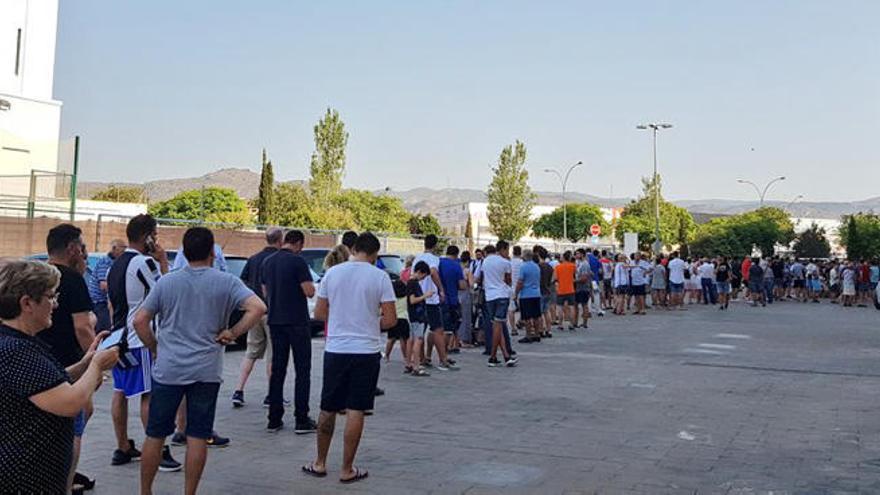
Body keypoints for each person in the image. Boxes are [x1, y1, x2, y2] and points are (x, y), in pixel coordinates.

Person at [134, 227, 266, 495]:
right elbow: (258, 308)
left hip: (168, 370)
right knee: (197, 435)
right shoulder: (226, 282)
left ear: (183, 250)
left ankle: (145, 491)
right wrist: (233, 332)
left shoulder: (167, 282)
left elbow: (140, 320)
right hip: (206, 371)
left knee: (155, 434)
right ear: (211, 251)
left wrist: (155, 347)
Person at [0, 260, 119, 495]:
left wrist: (85, 365)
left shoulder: (16, 342)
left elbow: (45, 386)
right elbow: (70, 403)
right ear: (27, 303)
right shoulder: (17, 350)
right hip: (26, 476)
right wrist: (96, 365)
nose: (55, 304)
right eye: (50, 297)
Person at [302, 232, 397, 484]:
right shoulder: (380, 277)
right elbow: (390, 320)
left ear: (353, 249)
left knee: (328, 407)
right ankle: (347, 468)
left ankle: (320, 462)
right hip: (366, 351)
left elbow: (320, 313)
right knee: (357, 408)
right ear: (375, 254)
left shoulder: (333, 273)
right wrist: (369, 320)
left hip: (337, 349)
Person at [107, 214, 183, 471]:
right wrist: (163, 261)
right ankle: (158, 450)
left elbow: (112, 303)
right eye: (156, 235)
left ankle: (122, 446)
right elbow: (166, 292)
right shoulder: (144, 262)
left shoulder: (115, 264)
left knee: (121, 392)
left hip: (118, 338)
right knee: (148, 394)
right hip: (139, 340)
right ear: (147, 237)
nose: (157, 240)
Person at [37, 225, 98, 493]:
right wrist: (94, 362)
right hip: (65, 366)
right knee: (73, 419)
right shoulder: (72, 280)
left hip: (41, 358)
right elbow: (83, 327)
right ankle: (66, 480)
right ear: (73, 248)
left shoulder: (39, 275)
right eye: (82, 247)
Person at [262, 229, 318, 433]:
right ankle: (301, 419)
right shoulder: (298, 262)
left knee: (278, 369)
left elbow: (265, 291)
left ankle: (274, 418)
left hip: (275, 320)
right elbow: (309, 291)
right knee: (302, 370)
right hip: (297, 321)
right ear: (299, 243)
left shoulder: (268, 262)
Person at [231, 227, 284, 408]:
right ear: (280, 240)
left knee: (251, 352)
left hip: (254, 313)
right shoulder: (277, 260)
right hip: (272, 313)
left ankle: (239, 390)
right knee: (273, 354)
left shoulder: (253, 259)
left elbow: (242, 281)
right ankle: (271, 394)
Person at [413, 235, 457, 371]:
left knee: (421, 331)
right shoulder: (433, 259)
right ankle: (443, 359)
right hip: (431, 299)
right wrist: (441, 289)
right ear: (435, 245)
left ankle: (422, 358)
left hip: (419, 298)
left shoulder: (417, 258)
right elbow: (433, 272)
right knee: (438, 330)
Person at [481, 241, 518, 367]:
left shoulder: (486, 261)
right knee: (498, 325)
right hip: (502, 295)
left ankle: (506, 356)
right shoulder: (505, 263)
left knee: (497, 325)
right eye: (507, 250)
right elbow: (508, 280)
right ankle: (492, 356)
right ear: (503, 249)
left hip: (489, 296)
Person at [88, 238, 127, 333]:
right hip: (99, 302)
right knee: (105, 329)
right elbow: (103, 285)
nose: (125, 251)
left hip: (105, 302)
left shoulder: (115, 262)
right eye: (123, 248)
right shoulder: (105, 262)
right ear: (114, 248)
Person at [405, 262, 432, 377]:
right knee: (418, 340)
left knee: (411, 340)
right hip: (417, 315)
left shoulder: (410, 282)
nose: (423, 279)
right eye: (424, 276)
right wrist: (425, 296)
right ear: (420, 272)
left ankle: (409, 363)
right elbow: (412, 300)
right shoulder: (413, 283)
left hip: (412, 315)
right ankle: (416, 366)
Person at [438, 245, 466, 355]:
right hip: (452, 299)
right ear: (456, 254)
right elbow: (462, 285)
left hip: (439, 299)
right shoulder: (456, 266)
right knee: (450, 329)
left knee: (439, 328)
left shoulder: (439, 262)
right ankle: (444, 353)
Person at [515, 249, 543, 343]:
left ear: (524, 256)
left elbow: (520, 282)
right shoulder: (536, 266)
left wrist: (516, 293)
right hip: (536, 293)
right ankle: (537, 333)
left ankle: (528, 335)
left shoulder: (523, 267)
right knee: (536, 315)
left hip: (526, 294)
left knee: (526, 317)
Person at [386, 280, 411, 368]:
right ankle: (405, 357)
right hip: (403, 319)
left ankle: (387, 356)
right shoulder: (406, 297)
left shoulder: (392, 298)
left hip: (394, 318)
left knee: (391, 339)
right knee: (403, 339)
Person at [554, 251, 577, 330]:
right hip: (570, 289)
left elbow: (555, 278)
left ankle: (560, 324)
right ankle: (571, 324)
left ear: (563, 258)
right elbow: (575, 275)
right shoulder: (573, 266)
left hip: (561, 289)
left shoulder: (558, 267)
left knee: (560, 307)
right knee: (571, 307)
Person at [457, 251, 475, 347]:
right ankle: (464, 339)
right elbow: (472, 284)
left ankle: (456, 339)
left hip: (457, 294)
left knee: (458, 317)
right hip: (465, 294)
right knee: (466, 317)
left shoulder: (457, 269)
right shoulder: (467, 271)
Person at [574, 249, 592, 329]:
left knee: (584, 305)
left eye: (578, 254)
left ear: (582, 254)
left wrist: (574, 281)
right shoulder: (579, 263)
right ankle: (576, 322)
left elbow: (584, 278)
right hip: (579, 288)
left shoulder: (585, 264)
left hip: (583, 288)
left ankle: (584, 323)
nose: (576, 255)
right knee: (576, 305)